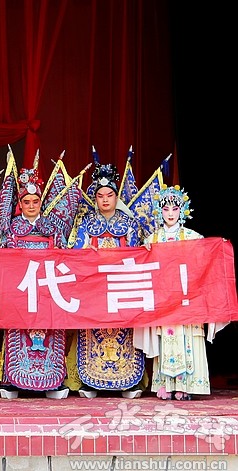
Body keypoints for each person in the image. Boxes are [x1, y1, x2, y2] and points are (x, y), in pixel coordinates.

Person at [141, 184, 227, 400]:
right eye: (166, 209)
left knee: (187, 339)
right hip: (163, 300)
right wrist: (145, 253)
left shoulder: (193, 237)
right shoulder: (151, 240)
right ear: (159, 211)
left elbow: (205, 263)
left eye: (175, 209)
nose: (170, 213)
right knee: (164, 339)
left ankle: (186, 385)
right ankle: (165, 384)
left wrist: (218, 248)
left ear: (182, 211)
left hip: (187, 299)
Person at [0, 157, 69, 399]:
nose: (32, 206)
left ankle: (53, 381)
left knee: (51, 334)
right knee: (16, 334)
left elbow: (65, 257)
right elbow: (0, 259)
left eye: (36, 201)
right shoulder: (12, 229)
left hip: (48, 290)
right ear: (20, 204)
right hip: (20, 291)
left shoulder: (52, 228)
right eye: (27, 201)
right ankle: (12, 380)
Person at [68, 162, 146, 399]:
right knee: (92, 331)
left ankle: (127, 381)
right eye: (100, 196)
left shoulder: (129, 224)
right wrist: (86, 252)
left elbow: (136, 254)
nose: (104, 200)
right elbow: (76, 252)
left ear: (116, 197)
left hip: (121, 288)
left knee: (125, 332)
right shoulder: (86, 223)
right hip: (94, 288)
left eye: (109, 195)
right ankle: (91, 381)